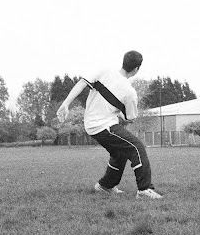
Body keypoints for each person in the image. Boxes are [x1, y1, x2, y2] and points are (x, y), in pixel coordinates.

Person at [56, 50, 163, 199]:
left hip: (91, 125)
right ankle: (144, 190)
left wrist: (66, 104)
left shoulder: (104, 71)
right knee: (137, 148)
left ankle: (105, 186)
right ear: (137, 69)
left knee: (119, 153)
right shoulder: (130, 92)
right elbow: (130, 117)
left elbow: (81, 83)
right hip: (104, 126)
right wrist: (120, 111)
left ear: (123, 61)